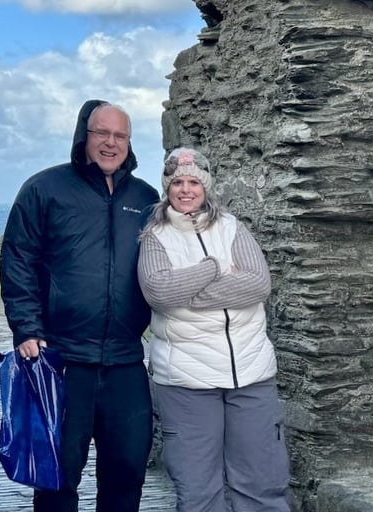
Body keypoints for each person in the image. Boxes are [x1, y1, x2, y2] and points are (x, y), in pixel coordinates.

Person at [0, 100, 159, 512]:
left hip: (125, 360)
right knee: (57, 479)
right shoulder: (44, 189)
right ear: (83, 136)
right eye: (101, 133)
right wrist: (26, 327)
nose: (111, 143)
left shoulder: (145, 197)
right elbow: (18, 259)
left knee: (127, 474)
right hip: (62, 358)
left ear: (129, 142)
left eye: (120, 135)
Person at [137, 147, 291, 512]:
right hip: (186, 381)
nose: (185, 190)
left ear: (206, 187)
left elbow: (257, 284)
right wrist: (214, 266)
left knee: (262, 483)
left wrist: (187, 292)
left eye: (194, 182)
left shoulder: (233, 228)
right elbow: (159, 292)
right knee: (198, 489)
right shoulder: (156, 237)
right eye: (177, 182)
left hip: (251, 374)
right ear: (167, 187)